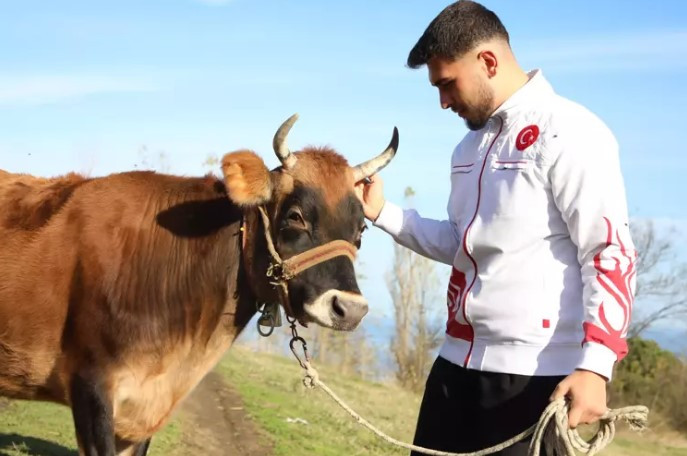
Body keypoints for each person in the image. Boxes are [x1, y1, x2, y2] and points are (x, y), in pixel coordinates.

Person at [354, 1, 637, 455]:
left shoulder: (572, 131)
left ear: (487, 61)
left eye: (447, 83)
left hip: (534, 381)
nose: (442, 101)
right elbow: (460, 242)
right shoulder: (467, 148)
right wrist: (384, 212)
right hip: (452, 371)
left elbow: (607, 251)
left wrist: (596, 366)